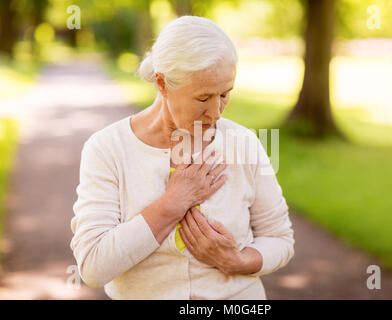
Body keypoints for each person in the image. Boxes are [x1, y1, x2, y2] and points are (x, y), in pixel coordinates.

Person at [70, 15, 294, 300]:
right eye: (203, 98)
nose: (216, 112)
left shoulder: (245, 144)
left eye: (225, 94)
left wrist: (237, 261)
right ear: (162, 83)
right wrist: (172, 203)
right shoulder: (106, 149)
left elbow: (280, 239)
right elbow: (93, 266)